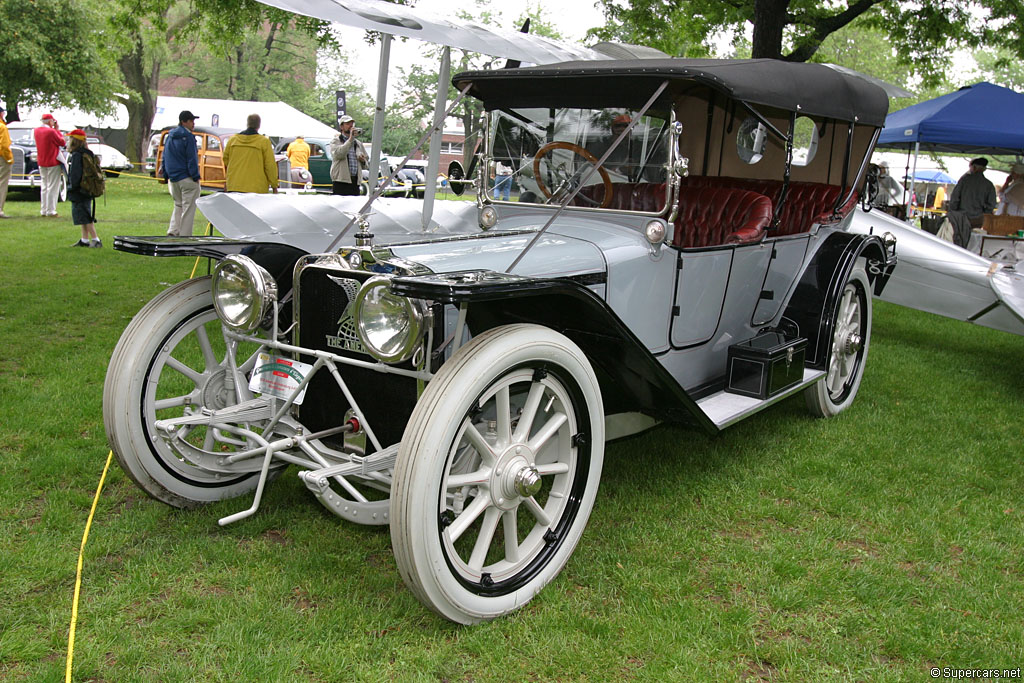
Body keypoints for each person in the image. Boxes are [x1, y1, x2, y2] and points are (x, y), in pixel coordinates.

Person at [162, 110, 202, 237]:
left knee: (178, 204)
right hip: (187, 177)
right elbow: (192, 159)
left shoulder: (170, 136)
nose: (193, 124)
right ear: (184, 122)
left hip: (173, 177)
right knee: (189, 208)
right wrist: (195, 176)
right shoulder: (189, 137)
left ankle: (173, 230)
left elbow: (165, 156)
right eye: (191, 121)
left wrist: (165, 174)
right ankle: (185, 235)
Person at [223, 113, 279, 194]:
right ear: (259, 125)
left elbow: (226, 160)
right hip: (256, 188)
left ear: (247, 123)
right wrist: (274, 185)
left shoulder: (232, 140)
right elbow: (270, 165)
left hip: (234, 185)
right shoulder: (263, 142)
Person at [66, 129, 101, 248]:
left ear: (74, 141)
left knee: (85, 216)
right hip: (87, 189)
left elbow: (75, 174)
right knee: (83, 215)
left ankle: (96, 239)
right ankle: (84, 239)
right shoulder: (87, 153)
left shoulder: (77, 155)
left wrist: (72, 187)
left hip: (79, 190)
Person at [948, 157, 997, 229]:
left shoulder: (964, 181)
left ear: (974, 167)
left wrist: (952, 212)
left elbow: (955, 198)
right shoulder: (989, 184)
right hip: (979, 220)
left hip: (962, 218)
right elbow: (991, 205)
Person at [33, 113, 65, 217]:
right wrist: (57, 130)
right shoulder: (51, 131)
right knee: (53, 186)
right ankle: (51, 210)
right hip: (52, 160)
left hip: (42, 161)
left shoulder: (36, 130)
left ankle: (44, 209)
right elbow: (62, 142)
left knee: (44, 185)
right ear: (50, 121)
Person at [329, 115, 368, 196]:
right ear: (341, 127)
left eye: (352, 124)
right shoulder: (336, 141)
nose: (351, 126)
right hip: (341, 181)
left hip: (355, 181)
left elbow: (366, 164)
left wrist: (363, 161)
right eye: (347, 124)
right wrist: (350, 140)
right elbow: (339, 155)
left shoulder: (358, 143)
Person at [0, 105, 11, 219]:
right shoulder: (2, 127)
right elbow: (4, 145)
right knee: (2, 182)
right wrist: (9, 158)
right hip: (1, 156)